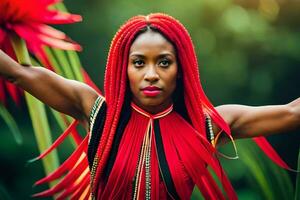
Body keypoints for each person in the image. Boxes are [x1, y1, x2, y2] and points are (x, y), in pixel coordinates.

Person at [0, 13, 299, 199]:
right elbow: (18, 72)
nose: (151, 74)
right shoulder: (97, 112)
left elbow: (291, 113)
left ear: (181, 69)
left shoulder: (205, 124)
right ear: (124, 68)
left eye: (164, 63)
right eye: (139, 63)